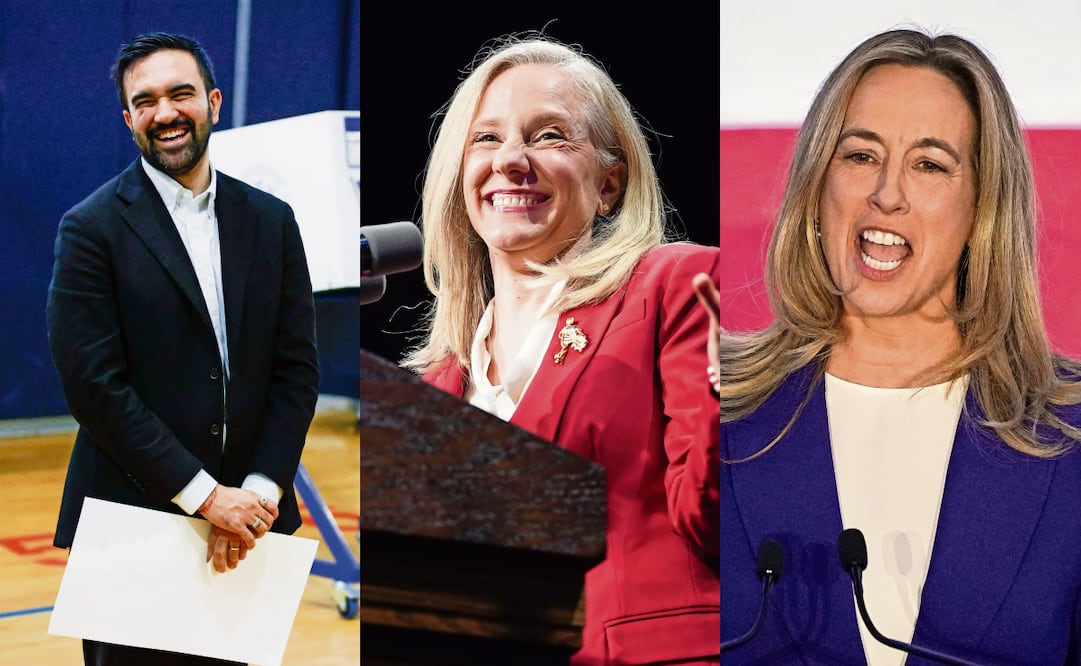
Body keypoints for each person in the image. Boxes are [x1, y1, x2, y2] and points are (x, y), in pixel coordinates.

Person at [719, 28, 1081, 664]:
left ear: (982, 211)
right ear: (816, 188)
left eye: (930, 165)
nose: (887, 194)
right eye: (860, 156)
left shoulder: (1070, 440)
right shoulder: (701, 412)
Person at [401, 33, 721, 664]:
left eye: (549, 135)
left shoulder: (672, 287)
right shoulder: (435, 383)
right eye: (486, 138)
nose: (511, 160)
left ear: (609, 184)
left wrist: (733, 392)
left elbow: (717, 519)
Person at [46, 32, 319, 666]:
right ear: (129, 119)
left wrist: (255, 496)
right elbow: (94, 387)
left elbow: (296, 371)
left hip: (250, 532)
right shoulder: (90, 229)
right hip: (134, 523)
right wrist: (204, 497)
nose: (165, 112)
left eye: (181, 94)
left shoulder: (271, 221)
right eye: (146, 101)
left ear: (214, 102)